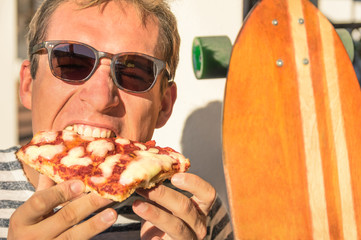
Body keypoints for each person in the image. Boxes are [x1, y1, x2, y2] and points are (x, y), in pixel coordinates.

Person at [0, 0, 233, 239]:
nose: (101, 97)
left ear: (164, 105)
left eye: (133, 72)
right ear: (28, 85)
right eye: (72, 61)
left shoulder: (194, 215)